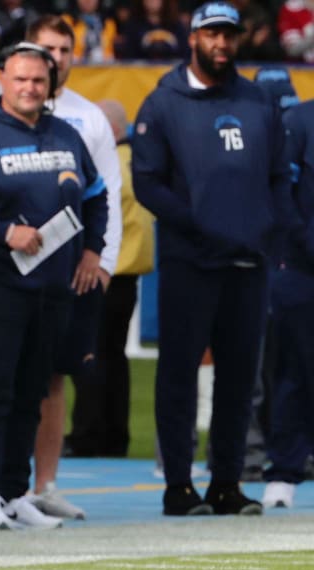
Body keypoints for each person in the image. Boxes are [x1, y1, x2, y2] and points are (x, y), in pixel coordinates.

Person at [0, 42, 107, 531]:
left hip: (53, 287)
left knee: (32, 394)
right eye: (21, 79)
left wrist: (93, 250)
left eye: (39, 81)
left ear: (50, 85)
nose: (30, 88)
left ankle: (13, 491)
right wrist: (3, 232)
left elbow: (97, 196)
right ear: (3, 80)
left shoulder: (66, 133)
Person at [132, 2, 283, 517]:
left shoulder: (259, 99)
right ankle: (178, 485)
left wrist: (269, 227)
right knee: (178, 376)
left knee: (240, 381)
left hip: (247, 263)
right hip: (189, 263)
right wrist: (200, 226)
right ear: (193, 37)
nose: (222, 44)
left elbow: (279, 175)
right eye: (212, 34)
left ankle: (226, 483)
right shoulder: (162, 102)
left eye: (229, 35)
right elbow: (147, 183)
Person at [25, 16, 123, 522]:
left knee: (56, 378)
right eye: (47, 48)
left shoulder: (88, 119)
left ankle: (44, 485)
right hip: (10, 270)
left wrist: (101, 262)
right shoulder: (0, 113)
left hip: (71, 270)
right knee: (0, 377)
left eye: (65, 49)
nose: (56, 57)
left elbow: (108, 194)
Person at [67, 99, 155, 459]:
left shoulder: (108, 167)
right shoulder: (139, 163)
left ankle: (88, 434)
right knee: (114, 359)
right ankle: (115, 434)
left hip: (101, 271)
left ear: (111, 129)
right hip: (128, 274)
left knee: (89, 355)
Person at [264, 93, 314, 511]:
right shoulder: (298, 121)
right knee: (294, 369)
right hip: (301, 267)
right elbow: (283, 192)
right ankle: (284, 471)